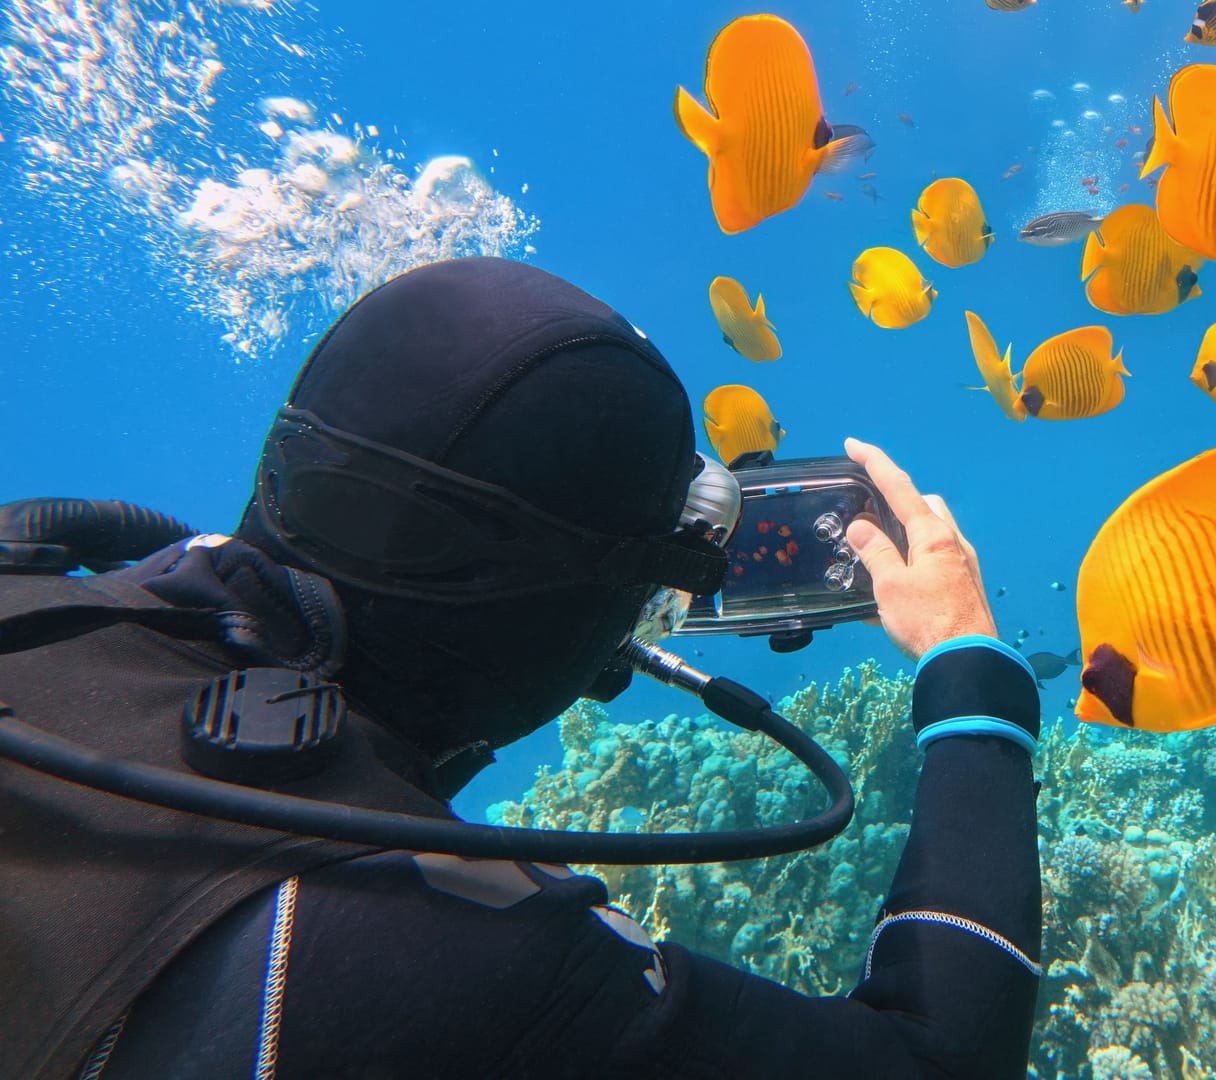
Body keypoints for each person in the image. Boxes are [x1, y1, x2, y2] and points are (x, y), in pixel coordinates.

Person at [0, 257, 1042, 1078]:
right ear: (566, 608)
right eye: (652, 575)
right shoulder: (436, 956)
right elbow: (938, 1060)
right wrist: (969, 666)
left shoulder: (38, 597)